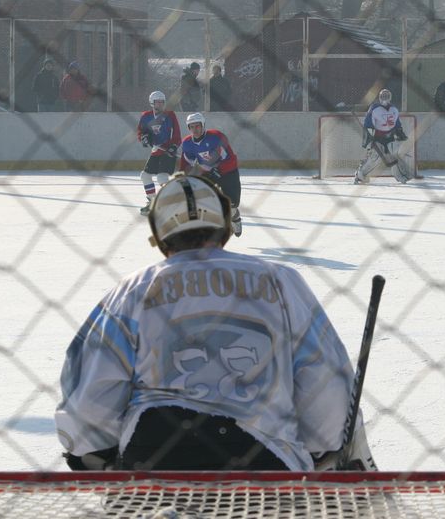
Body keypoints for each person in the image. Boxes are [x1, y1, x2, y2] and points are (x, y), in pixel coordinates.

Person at [55, 173, 377, 472]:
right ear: (223, 224)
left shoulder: (132, 291)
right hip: (265, 464)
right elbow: (327, 386)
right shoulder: (282, 281)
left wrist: (95, 451)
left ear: (159, 234)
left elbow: (88, 400)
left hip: (154, 463)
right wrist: (325, 448)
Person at [179, 112, 243, 237]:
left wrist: (218, 168)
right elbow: (186, 162)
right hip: (208, 172)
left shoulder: (216, 137)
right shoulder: (187, 143)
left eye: (197, 126)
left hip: (228, 172)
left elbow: (228, 157)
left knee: (232, 205)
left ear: (203, 125)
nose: (195, 129)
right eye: (192, 127)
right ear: (188, 128)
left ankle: (235, 217)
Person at [137, 91, 182, 216]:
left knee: (162, 177)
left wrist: (174, 146)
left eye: (162, 102)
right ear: (152, 103)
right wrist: (143, 138)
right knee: (145, 176)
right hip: (156, 151)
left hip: (168, 151)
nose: (161, 104)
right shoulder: (146, 116)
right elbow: (141, 132)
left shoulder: (170, 115)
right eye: (158, 102)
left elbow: (177, 134)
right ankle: (152, 202)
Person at [354, 89, 412, 185]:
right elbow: (368, 123)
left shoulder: (394, 109)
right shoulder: (374, 108)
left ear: (390, 98)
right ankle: (361, 174)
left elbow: (397, 123)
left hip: (390, 137)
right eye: (383, 96)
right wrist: (369, 136)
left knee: (394, 156)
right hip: (377, 137)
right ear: (379, 97)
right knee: (374, 157)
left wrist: (400, 132)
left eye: (387, 96)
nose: (385, 98)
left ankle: (400, 175)